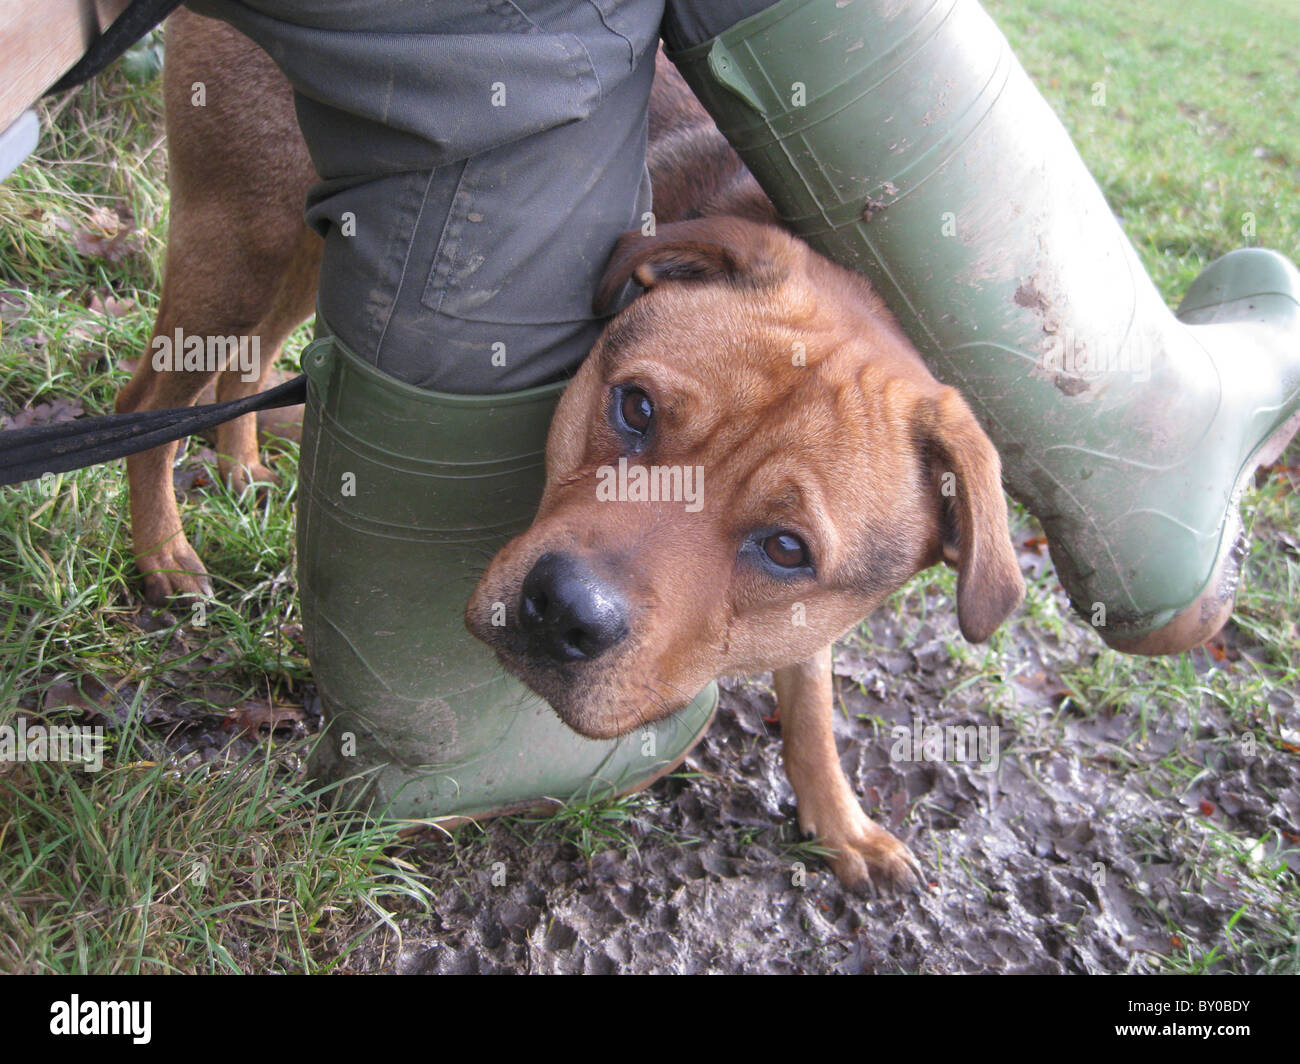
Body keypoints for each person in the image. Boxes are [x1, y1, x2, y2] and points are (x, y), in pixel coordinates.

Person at [178, 0, 1300, 818]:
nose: (590, 589)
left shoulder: (887, 445)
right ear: (653, 275)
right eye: (634, 416)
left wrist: (818, 774)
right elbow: (787, 541)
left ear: (941, 551)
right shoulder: (724, 292)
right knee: (239, 282)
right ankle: (165, 458)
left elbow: (805, 582)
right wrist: (774, 541)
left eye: (779, 543)